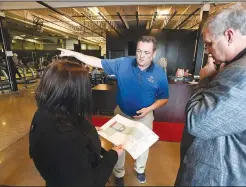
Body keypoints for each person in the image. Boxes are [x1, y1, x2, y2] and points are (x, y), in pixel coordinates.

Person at [58, 35, 169, 186]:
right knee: (119, 145)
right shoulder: (123, 63)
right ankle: (118, 173)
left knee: (143, 146)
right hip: (122, 113)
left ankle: (140, 169)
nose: (141, 56)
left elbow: (164, 98)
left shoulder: (159, 73)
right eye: (139, 51)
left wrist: (150, 108)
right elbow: (97, 61)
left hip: (145, 116)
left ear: (154, 54)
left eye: (146, 53)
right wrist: (74, 54)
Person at [175, 3, 246, 186]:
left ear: (229, 36)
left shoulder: (243, 71)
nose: (207, 51)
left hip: (222, 177)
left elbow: (196, 122)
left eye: (209, 44)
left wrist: (204, 81)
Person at [29, 60, 123, 186]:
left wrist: (88, 130)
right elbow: (90, 182)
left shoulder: (44, 113)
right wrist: (113, 155)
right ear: (71, 92)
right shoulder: (67, 139)